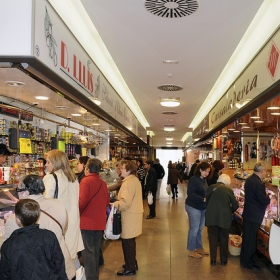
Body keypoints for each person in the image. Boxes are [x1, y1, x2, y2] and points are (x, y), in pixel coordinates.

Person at [4, 174, 76, 279]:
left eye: (18, 191)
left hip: (38, 273)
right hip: (63, 269)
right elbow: (63, 230)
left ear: (26, 193)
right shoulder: (58, 204)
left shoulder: (16, 218)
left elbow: (8, 252)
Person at [0, 199, 68, 280]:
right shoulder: (49, 236)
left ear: (18, 219)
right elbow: (59, 264)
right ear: (37, 216)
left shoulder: (9, 244)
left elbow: (5, 273)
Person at [43, 150, 84, 262]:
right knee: (71, 258)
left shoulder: (51, 178)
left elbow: (45, 202)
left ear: (56, 162)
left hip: (59, 224)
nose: (46, 165)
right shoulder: (73, 178)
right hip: (73, 223)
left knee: (58, 261)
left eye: (48, 162)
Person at [79, 158, 110, 280]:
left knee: (88, 252)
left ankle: (91, 277)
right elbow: (107, 202)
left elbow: (81, 202)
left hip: (87, 221)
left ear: (87, 168)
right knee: (96, 250)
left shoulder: (85, 181)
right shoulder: (103, 183)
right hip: (100, 222)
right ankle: (95, 276)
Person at [113, 160, 143, 276]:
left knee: (127, 242)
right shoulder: (133, 180)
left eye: (123, 168)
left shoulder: (128, 182)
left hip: (129, 216)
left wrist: (114, 204)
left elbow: (125, 203)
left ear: (128, 170)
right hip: (133, 214)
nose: (121, 170)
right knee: (130, 241)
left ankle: (130, 268)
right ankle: (132, 263)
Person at [240, 161, 270, 270]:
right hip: (254, 215)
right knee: (251, 240)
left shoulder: (249, 179)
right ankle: (249, 263)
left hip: (248, 213)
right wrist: (268, 196)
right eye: (265, 171)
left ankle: (244, 260)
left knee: (247, 238)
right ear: (262, 171)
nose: (265, 173)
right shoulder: (259, 183)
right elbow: (264, 200)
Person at [205, 174, 239, 266]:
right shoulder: (228, 190)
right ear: (227, 182)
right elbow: (236, 205)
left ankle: (212, 260)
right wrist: (229, 211)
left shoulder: (210, 187)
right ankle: (223, 260)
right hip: (224, 218)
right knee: (224, 239)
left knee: (213, 239)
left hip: (211, 217)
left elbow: (207, 201)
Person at [185, 161, 211, 258]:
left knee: (200, 229)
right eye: (205, 171)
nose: (206, 173)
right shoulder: (193, 179)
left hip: (202, 207)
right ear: (200, 170)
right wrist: (203, 199)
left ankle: (199, 247)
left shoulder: (204, 180)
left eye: (208, 171)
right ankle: (191, 250)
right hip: (193, 206)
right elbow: (190, 194)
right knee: (194, 229)